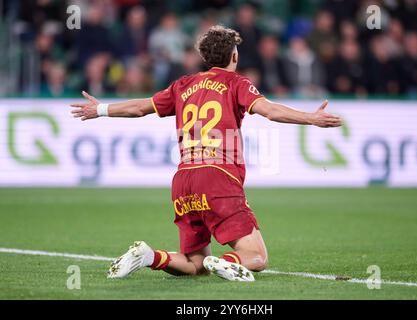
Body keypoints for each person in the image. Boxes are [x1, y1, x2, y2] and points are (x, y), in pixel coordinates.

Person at [70, 25, 342, 282]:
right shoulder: (236, 82)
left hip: (183, 180)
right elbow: (269, 110)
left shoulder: (183, 85)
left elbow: (141, 107)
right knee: (256, 256)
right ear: (234, 55)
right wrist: (311, 118)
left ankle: (150, 256)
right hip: (217, 176)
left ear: (205, 57)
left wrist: (101, 109)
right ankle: (229, 261)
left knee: (195, 264)